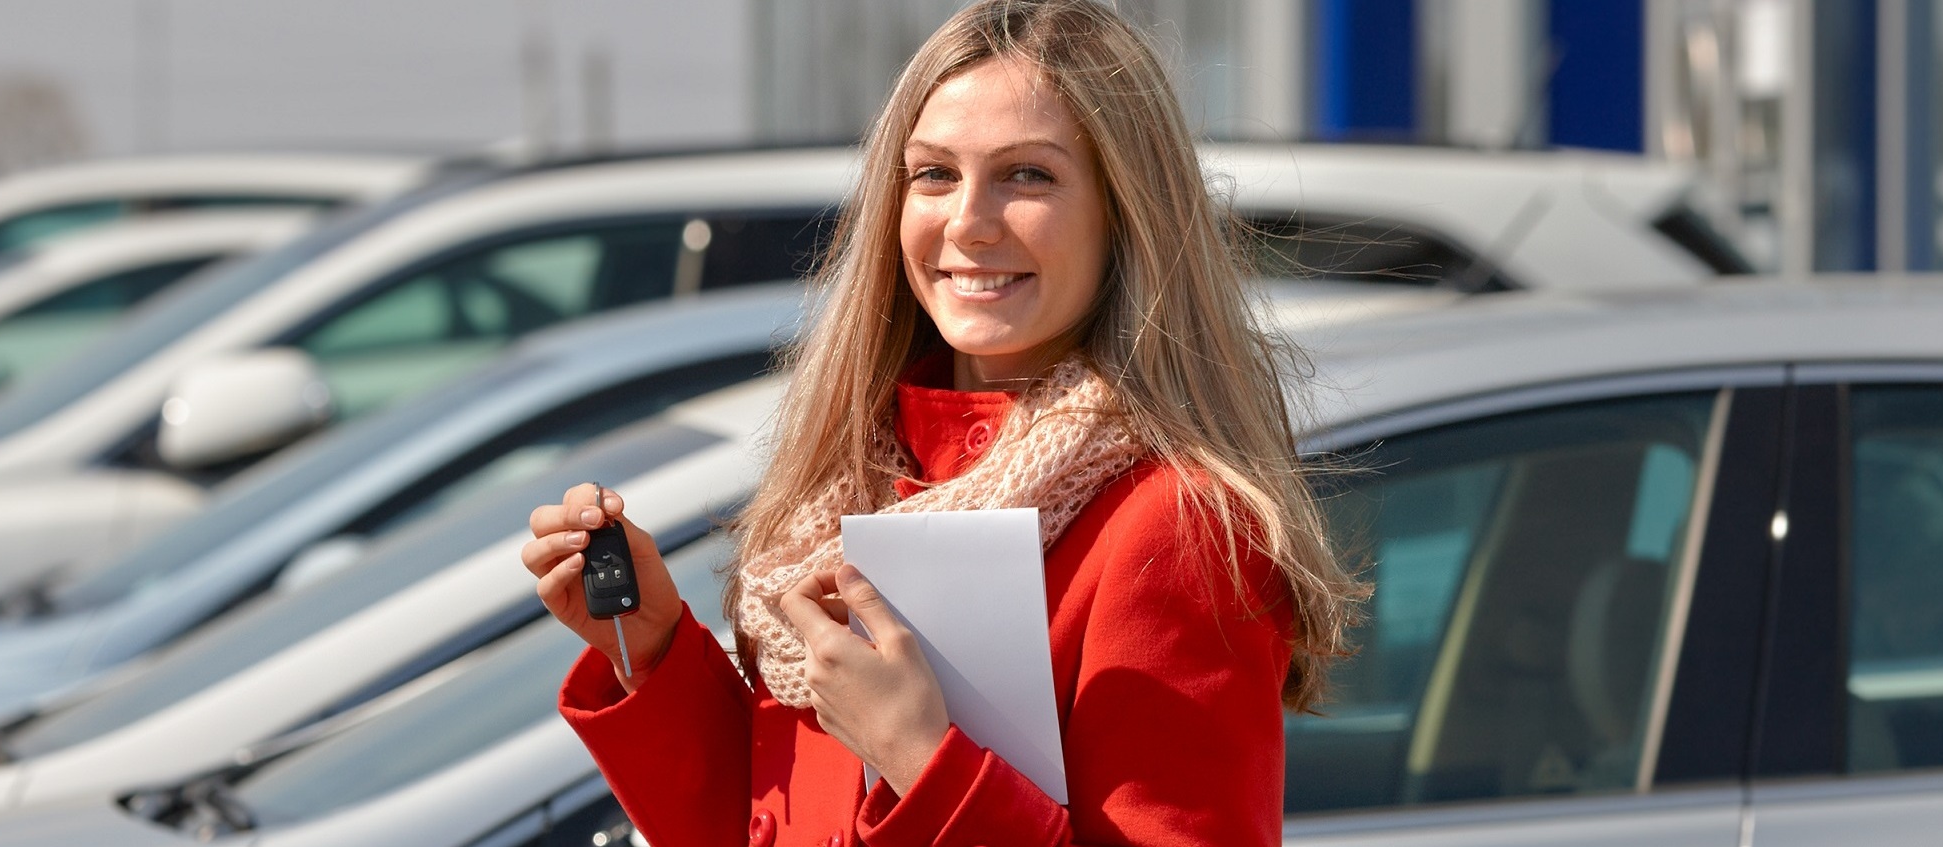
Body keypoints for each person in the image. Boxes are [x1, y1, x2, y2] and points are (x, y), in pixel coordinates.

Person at [519, 1, 1365, 843]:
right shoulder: (848, 480)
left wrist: (919, 757)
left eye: (1027, 174)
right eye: (933, 174)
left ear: (1125, 211)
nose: (967, 221)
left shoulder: (1172, 522)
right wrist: (655, 648)